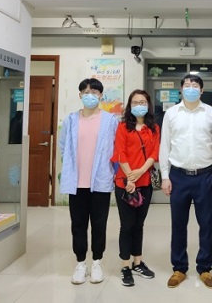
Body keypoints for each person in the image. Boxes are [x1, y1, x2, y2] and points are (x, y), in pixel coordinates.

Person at [159, 74, 212, 289]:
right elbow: (165, 145)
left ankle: (205, 268)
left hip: (206, 175)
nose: (190, 88)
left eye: (195, 85)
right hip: (178, 176)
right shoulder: (172, 113)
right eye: (186, 85)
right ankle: (179, 268)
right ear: (181, 90)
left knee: (207, 224)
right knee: (178, 223)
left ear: (201, 90)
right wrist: (165, 176)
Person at [58, 78, 119, 285]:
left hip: (100, 181)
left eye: (94, 92)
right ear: (80, 95)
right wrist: (71, 167)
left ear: (101, 95)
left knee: (99, 224)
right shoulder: (71, 120)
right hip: (76, 183)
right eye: (85, 92)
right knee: (78, 224)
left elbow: (115, 148)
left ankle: (97, 262)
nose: (89, 95)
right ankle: (80, 263)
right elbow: (63, 146)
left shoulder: (110, 121)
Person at [112, 90, 160, 287]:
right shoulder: (123, 127)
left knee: (139, 225)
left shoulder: (154, 128)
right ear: (130, 106)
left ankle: (137, 262)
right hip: (124, 183)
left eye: (142, 102)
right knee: (127, 225)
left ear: (148, 105)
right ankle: (125, 265)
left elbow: (155, 153)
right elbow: (119, 152)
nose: (139, 105)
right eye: (135, 102)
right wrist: (129, 176)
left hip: (144, 182)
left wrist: (139, 172)